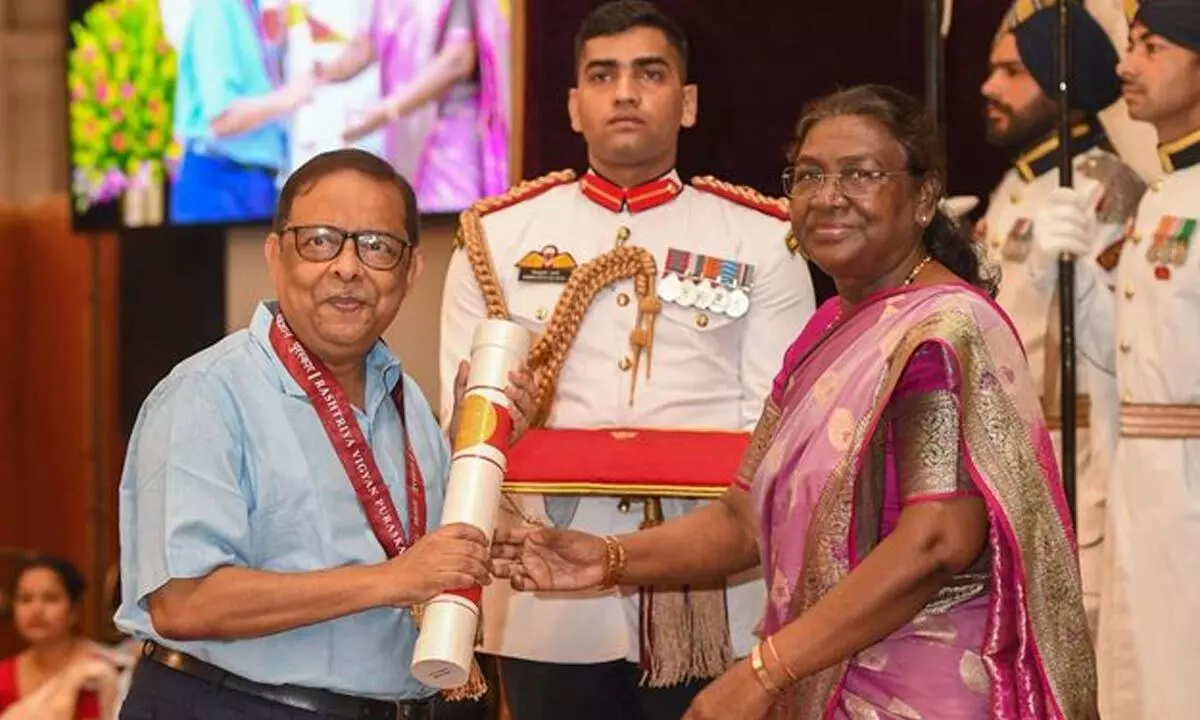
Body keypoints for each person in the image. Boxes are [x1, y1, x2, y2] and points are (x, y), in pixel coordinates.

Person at [491, 84, 1099, 720]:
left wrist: (763, 672)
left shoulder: (939, 334)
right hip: (822, 674)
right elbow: (742, 515)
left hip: (923, 690)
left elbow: (937, 540)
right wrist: (610, 557)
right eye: (809, 175)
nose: (829, 196)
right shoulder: (830, 326)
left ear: (923, 197)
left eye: (860, 174)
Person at [439, 2, 817, 718]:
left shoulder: (761, 239)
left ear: (688, 101)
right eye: (602, 75)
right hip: (547, 592)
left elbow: (774, 436)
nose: (624, 92)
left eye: (649, 73)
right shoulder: (497, 235)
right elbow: (464, 428)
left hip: (710, 588)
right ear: (574, 106)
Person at [116, 148, 536, 719]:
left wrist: (483, 472)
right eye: (319, 240)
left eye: (377, 246)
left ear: (411, 271)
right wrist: (392, 579)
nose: (347, 267)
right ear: (275, 255)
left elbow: (425, 562)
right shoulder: (207, 393)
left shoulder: (407, 401)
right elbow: (184, 603)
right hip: (230, 705)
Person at [1031, 1, 1200, 717]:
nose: (1126, 65)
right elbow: (1113, 367)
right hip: (1141, 489)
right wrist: (1068, 279)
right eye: (1130, 44)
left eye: (1151, 46)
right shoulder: (1163, 196)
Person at [977, 2, 1145, 635]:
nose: (989, 88)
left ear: (1061, 80)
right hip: (1004, 452)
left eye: (1013, 72)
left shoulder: (1104, 185)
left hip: (1070, 457)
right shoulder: (1014, 186)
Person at [316, 0, 510, 212]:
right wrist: (318, 73)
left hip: (451, 143)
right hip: (406, 142)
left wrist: (390, 109)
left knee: (453, 229)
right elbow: (365, 47)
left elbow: (458, 59)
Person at [169, 0, 314, 224]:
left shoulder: (249, 9)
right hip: (220, 182)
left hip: (249, 182)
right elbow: (222, 118)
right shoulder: (216, 9)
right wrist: (289, 97)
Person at [0, 556, 122, 720]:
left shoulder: (103, 669)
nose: (36, 610)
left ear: (73, 610)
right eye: (25, 599)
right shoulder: (3, 676)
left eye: (50, 598)